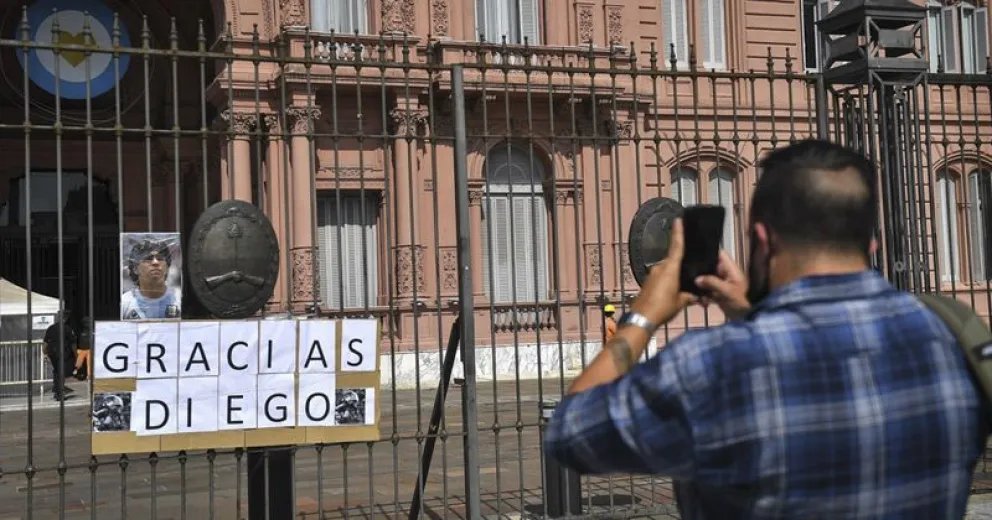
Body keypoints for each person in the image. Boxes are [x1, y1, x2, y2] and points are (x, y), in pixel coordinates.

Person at [544, 139, 991, 519]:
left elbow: (570, 435)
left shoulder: (715, 365)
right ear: (870, 241)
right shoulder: (953, 338)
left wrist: (642, 316)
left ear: (762, 240)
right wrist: (753, 311)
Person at [120, 238, 181, 320]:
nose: (155, 262)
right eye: (148, 258)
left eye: (160, 259)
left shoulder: (180, 299)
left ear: (167, 267)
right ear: (135, 268)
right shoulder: (124, 303)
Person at [43, 310, 77, 401]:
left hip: (52, 354)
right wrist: (76, 356)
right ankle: (60, 394)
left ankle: (56, 391)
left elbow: (45, 343)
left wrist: (45, 354)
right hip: (63, 354)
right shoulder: (67, 329)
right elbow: (73, 344)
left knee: (57, 372)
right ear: (66, 318)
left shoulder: (51, 328)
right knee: (61, 373)